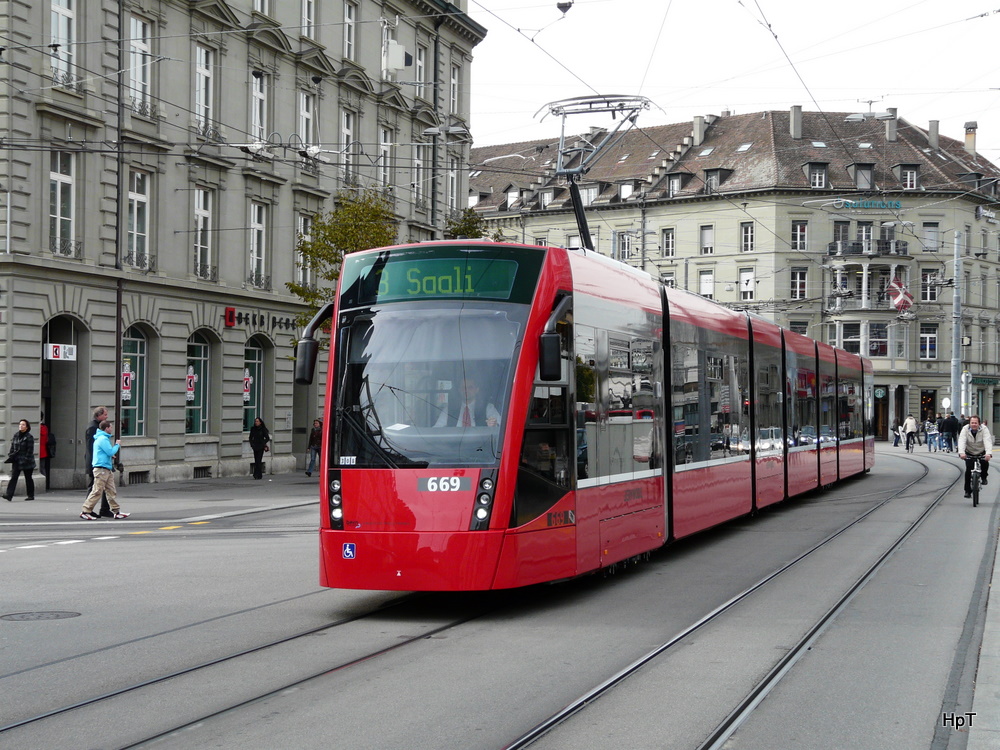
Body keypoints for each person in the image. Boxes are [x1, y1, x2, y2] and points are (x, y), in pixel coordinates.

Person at [80, 420, 129, 519]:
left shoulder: (102, 438)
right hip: (101, 468)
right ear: (106, 428)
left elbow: (105, 452)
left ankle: (116, 511)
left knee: (111, 490)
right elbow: (110, 452)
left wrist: (110, 456)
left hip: (106, 468)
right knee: (97, 491)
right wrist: (117, 445)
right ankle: (85, 510)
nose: (112, 429)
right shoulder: (103, 439)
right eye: (110, 427)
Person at [434, 377, 500, 427]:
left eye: (470, 387)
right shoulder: (449, 409)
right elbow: (437, 429)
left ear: (477, 390)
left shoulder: (488, 407)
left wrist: (493, 424)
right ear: (459, 390)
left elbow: (501, 425)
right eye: (463, 387)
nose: (466, 390)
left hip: (481, 444)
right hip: (455, 445)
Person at [84, 406, 113, 517]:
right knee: (93, 487)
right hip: (96, 462)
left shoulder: (99, 427)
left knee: (105, 486)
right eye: (105, 415)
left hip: (102, 461)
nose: (107, 417)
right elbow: (92, 448)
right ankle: (88, 509)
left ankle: (104, 509)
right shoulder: (93, 428)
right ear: (98, 415)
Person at [958, 415, 993, 499]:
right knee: (968, 470)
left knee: (985, 463)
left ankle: (984, 477)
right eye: (972, 423)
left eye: (975, 423)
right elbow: (962, 440)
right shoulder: (965, 429)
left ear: (979, 423)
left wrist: (988, 453)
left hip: (981, 451)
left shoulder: (984, 429)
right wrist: (961, 453)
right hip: (969, 451)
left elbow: (987, 441)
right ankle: (967, 491)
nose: (974, 424)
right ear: (969, 423)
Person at [3, 419, 35, 501]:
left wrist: (26, 459)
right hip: (17, 460)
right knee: (14, 477)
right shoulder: (16, 435)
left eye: (23, 424)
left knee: (28, 478)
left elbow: (30, 450)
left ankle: (30, 495)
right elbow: (13, 446)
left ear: (27, 427)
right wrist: (10, 454)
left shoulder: (29, 437)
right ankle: (9, 495)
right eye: (20, 424)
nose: (21, 426)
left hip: (27, 461)